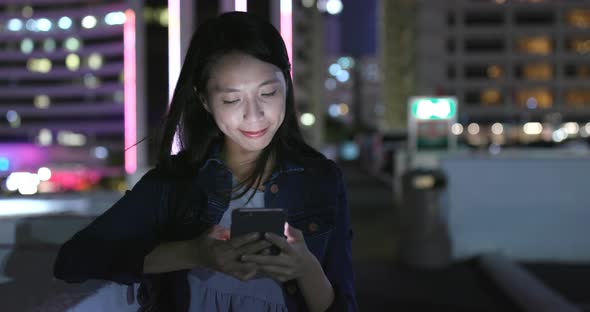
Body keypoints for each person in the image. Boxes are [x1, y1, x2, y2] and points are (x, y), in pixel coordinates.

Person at [53, 11, 357, 312]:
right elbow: (75, 260)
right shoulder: (175, 183)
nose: (254, 115)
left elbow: (342, 304)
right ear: (204, 100)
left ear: (287, 86)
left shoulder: (321, 181)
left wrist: (305, 267)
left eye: (268, 92)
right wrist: (194, 252)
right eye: (231, 99)